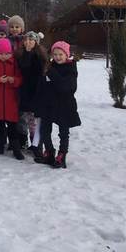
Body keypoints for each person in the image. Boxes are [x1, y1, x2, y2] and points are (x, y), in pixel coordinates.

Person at [35, 41, 81, 169]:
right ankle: (49, 151)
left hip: (64, 105)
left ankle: (62, 154)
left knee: (63, 132)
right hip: (48, 104)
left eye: (61, 54)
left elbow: (67, 87)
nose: (57, 57)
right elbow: (42, 85)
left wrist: (51, 73)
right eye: (55, 54)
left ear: (66, 55)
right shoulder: (48, 66)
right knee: (44, 130)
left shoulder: (71, 68)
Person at [16, 31, 47, 156]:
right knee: (25, 118)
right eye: (26, 40)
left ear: (36, 42)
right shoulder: (21, 54)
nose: (28, 42)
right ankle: (26, 142)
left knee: (34, 121)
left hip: (36, 92)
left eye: (31, 40)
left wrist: (29, 53)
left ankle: (37, 145)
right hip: (24, 91)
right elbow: (22, 68)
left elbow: (36, 71)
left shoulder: (39, 56)